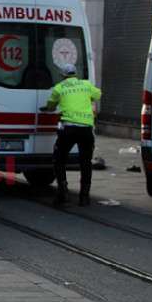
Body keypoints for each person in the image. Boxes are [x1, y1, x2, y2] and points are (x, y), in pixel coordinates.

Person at [40, 63, 102, 206]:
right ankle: (84, 197)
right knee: (86, 162)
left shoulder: (59, 88)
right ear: (75, 73)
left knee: (59, 159)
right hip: (86, 129)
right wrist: (87, 99)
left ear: (62, 75)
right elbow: (98, 94)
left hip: (68, 129)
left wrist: (47, 108)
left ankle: (63, 192)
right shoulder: (86, 85)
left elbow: (51, 106)